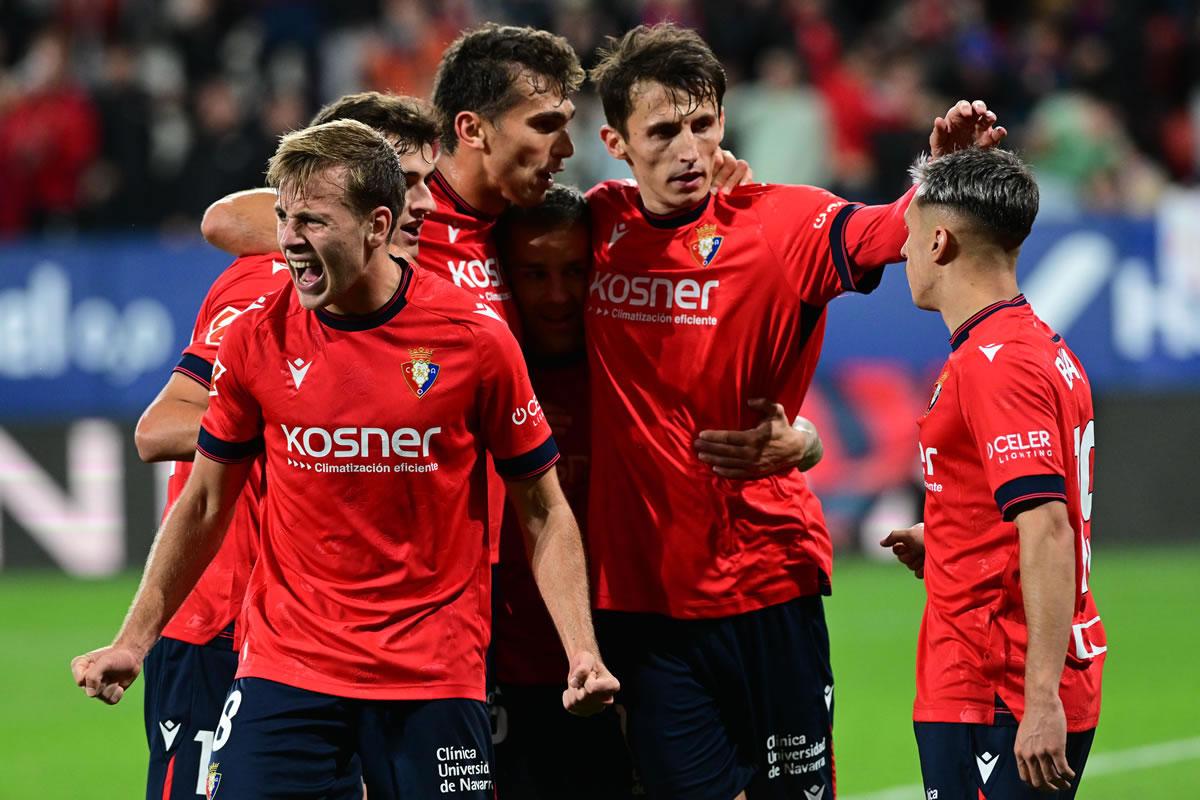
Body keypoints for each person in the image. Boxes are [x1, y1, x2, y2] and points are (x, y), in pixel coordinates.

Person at [72, 119, 617, 798]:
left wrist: (582, 651)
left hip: (433, 678)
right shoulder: (254, 339)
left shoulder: (474, 341)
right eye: (282, 217)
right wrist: (134, 639)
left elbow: (543, 508)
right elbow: (206, 502)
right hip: (286, 672)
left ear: (377, 224)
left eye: (312, 220)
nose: (290, 240)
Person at [583, 22, 1005, 800]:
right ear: (614, 140)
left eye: (703, 124)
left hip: (766, 578)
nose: (689, 149)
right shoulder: (591, 231)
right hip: (644, 604)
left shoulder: (778, 224)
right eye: (663, 131)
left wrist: (944, 173)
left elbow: (889, 229)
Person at [130, 92, 442, 800]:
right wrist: (294, 421)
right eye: (408, 180)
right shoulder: (263, 285)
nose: (426, 204)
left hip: (336, 639)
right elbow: (158, 429)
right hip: (220, 621)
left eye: (430, 181)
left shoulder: (429, 305)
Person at [881, 147, 1105, 798]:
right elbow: (1024, 507)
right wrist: (948, 538)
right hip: (1005, 671)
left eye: (911, 237)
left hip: (996, 683)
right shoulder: (1038, 345)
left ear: (941, 241)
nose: (905, 255)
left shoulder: (996, 364)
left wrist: (1038, 701)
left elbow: (1049, 529)